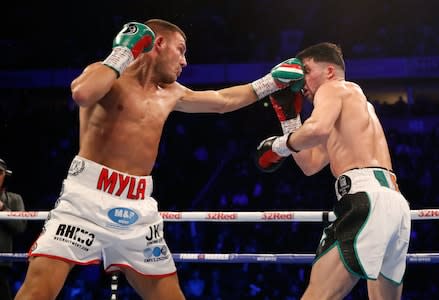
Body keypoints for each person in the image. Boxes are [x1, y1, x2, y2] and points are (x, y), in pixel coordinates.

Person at [14, 19, 303, 300]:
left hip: (138, 209)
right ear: (158, 43)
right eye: (181, 49)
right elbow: (82, 93)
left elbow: (222, 101)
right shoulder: (108, 76)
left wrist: (270, 82)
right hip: (84, 201)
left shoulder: (172, 93)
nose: (185, 61)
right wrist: (124, 51)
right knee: (38, 292)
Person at [256, 42, 411, 300]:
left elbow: (316, 130)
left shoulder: (333, 88)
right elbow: (310, 163)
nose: (299, 80)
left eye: (305, 70)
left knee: (318, 295)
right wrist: (289, 118)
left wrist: (277, 146)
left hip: (366, 200)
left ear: (329, 71)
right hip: (393, 204)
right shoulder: (353, 108)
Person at [0, 158, 27, 300]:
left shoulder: (15, 199)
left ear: (6, 176)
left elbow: (20, 227)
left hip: (1, 265)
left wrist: (3, 209)